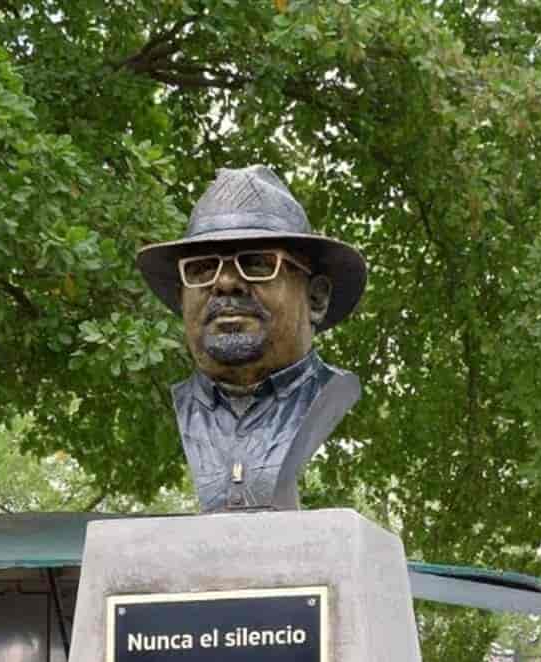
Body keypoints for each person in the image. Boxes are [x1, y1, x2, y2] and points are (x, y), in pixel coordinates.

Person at [136, 164, 367, 511]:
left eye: (257, 262)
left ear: (315, 298)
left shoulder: (330, 394)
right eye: (202, 268)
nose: (225, 282)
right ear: (183, 298)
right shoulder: (184, 406)